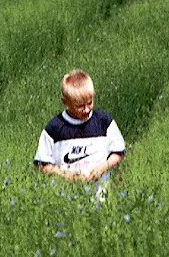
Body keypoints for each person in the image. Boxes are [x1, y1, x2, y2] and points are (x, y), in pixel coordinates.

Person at [33, 69, 125, 199]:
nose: (86, 109)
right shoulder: (55, 127)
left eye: (90, 102)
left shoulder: (104, 122)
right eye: (80, 106)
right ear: (65, 102)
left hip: (100, 197)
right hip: (66, 197)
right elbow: (43, 165)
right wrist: (70, 177)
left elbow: (119, 152)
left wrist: (103, 167)